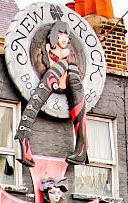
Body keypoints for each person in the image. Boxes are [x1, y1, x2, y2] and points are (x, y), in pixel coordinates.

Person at [16, 20, 88, 167]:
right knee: (66, 68)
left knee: (70, 70)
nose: (64, 38)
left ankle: (23, 134)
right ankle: (82, 146)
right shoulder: (50, 49)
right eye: (61, 34)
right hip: (55, 79)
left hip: (61, 80)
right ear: (55, 34)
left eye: (66, 35)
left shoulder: (69, 54)